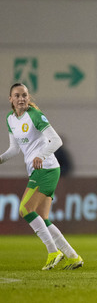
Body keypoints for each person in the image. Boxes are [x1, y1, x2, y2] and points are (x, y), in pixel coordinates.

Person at [0, 83, 83, 270]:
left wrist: (41, 155)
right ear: (10, 99)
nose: (21, 99)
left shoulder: (35, 115)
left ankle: (53, 251)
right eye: (17, 95)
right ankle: (73, 256)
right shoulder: (10, 119)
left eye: (24, 95)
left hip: (46, 168)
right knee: (43, 218)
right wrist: (1, 159)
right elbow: (14, 149)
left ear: (28, 97)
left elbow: (57, 140)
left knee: (25, 209)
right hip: (38, 170)